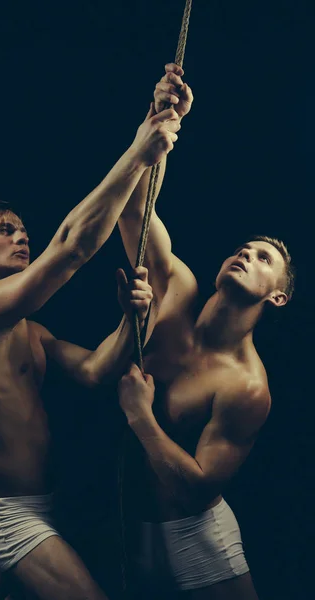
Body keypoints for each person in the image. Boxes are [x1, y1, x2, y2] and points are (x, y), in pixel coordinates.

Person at [0, 106, 182, 600]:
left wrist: (134, 318)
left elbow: (95, 371)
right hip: (5, 516)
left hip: (41, 503)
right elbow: (71, 246)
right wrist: (137, 153)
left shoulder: (26, 329)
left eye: (24, 229)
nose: (22, 236)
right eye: (5, 230)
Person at [116, 63, 295, 599]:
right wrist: (156, 130)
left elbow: (197, 490)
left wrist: (139, 416)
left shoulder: (247, 386)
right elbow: (131, 209)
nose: (247, 253)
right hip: (131, 528)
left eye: (263, 258)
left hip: (196, 539)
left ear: (277, 296)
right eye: (244, 247)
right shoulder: (178, 291)